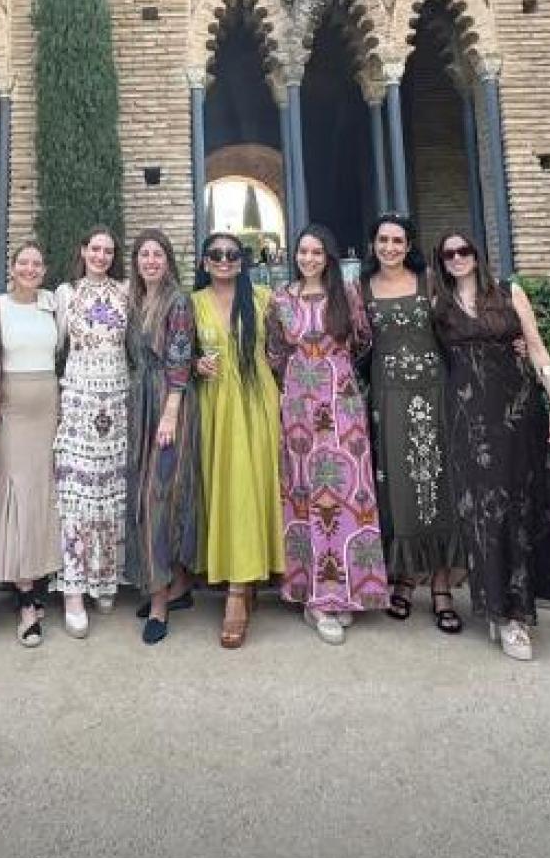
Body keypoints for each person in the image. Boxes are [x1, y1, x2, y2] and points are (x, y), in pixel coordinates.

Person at [431, 230, 550, 661]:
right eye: (448, 254)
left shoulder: (508, 292)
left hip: (517, 415)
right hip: (468, 423)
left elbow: (535, 348)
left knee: (519, 506)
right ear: (441, 261)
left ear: (477, 254)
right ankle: (505, 614)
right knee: (485, 512)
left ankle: (513, 607)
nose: (457, 258)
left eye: (464, 250)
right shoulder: (438, 305)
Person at [267, 225, 388, 645]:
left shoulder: (347, 295)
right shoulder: (281, 299)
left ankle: (347, 590)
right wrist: (299, 380)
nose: (309, 258)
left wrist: (335, 372)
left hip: (342, 405)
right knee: (307, 495)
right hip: (300, 407)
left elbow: (364, 342)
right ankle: (316, 599)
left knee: (348, 493)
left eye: (317, 252)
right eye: (303, 251)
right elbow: (274, 353)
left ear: (328, 257)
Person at [360, 213, 463, 633]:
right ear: (373, 245)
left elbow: (461, 325)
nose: (389, 248)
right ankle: (403, 578)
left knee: (438, 486)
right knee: (398, 490)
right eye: (383, 240)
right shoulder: (360, 288)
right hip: (387, 399)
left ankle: (441, 587)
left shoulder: (430, 283)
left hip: (433, 395)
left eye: (397, 241)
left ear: (409, 246)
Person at [192, 232, 285, 648]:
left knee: (252, 490)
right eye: (216, 254)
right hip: (215, 404)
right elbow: (179, 353)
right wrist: (195, 363)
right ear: (205, 262)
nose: (225, 260)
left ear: (242, 261)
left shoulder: (264, 298)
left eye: (232, 254)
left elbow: (287, 348)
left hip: (256, 400)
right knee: (225, 491)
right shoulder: (192, 303)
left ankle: (238, 591)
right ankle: (240, 581)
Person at [52, 226, 129, 637]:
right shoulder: (66, 293)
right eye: (95, 249)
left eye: (107, 251)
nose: (101, 256)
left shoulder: (126, 292)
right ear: (82, 251)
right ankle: (74, 589)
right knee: (76, 493)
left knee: (110, 491)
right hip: (79, 401)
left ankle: (105, 577)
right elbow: (53, 346)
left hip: (116, 401)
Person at [125, 229, 200, 645]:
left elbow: (180, 359)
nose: (151, 261)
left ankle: (158, 604)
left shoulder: (178, 302)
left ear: (168, 261)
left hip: (170, 404)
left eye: (158, 254)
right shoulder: (136, 301)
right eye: (144, 255)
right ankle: (179, 585)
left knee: (158, 498)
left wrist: (169, 413)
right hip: (141, 403)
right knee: (151, 494)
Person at [0, 240, 62, 647]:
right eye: (23, 263)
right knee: (16, 494)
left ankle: (41, 578)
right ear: (12, 267)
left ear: (44, 270)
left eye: (37, 263)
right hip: (11, 410)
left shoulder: (53, 304)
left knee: (43, 493)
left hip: (49, 406)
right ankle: (26, 601)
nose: (30, 269)